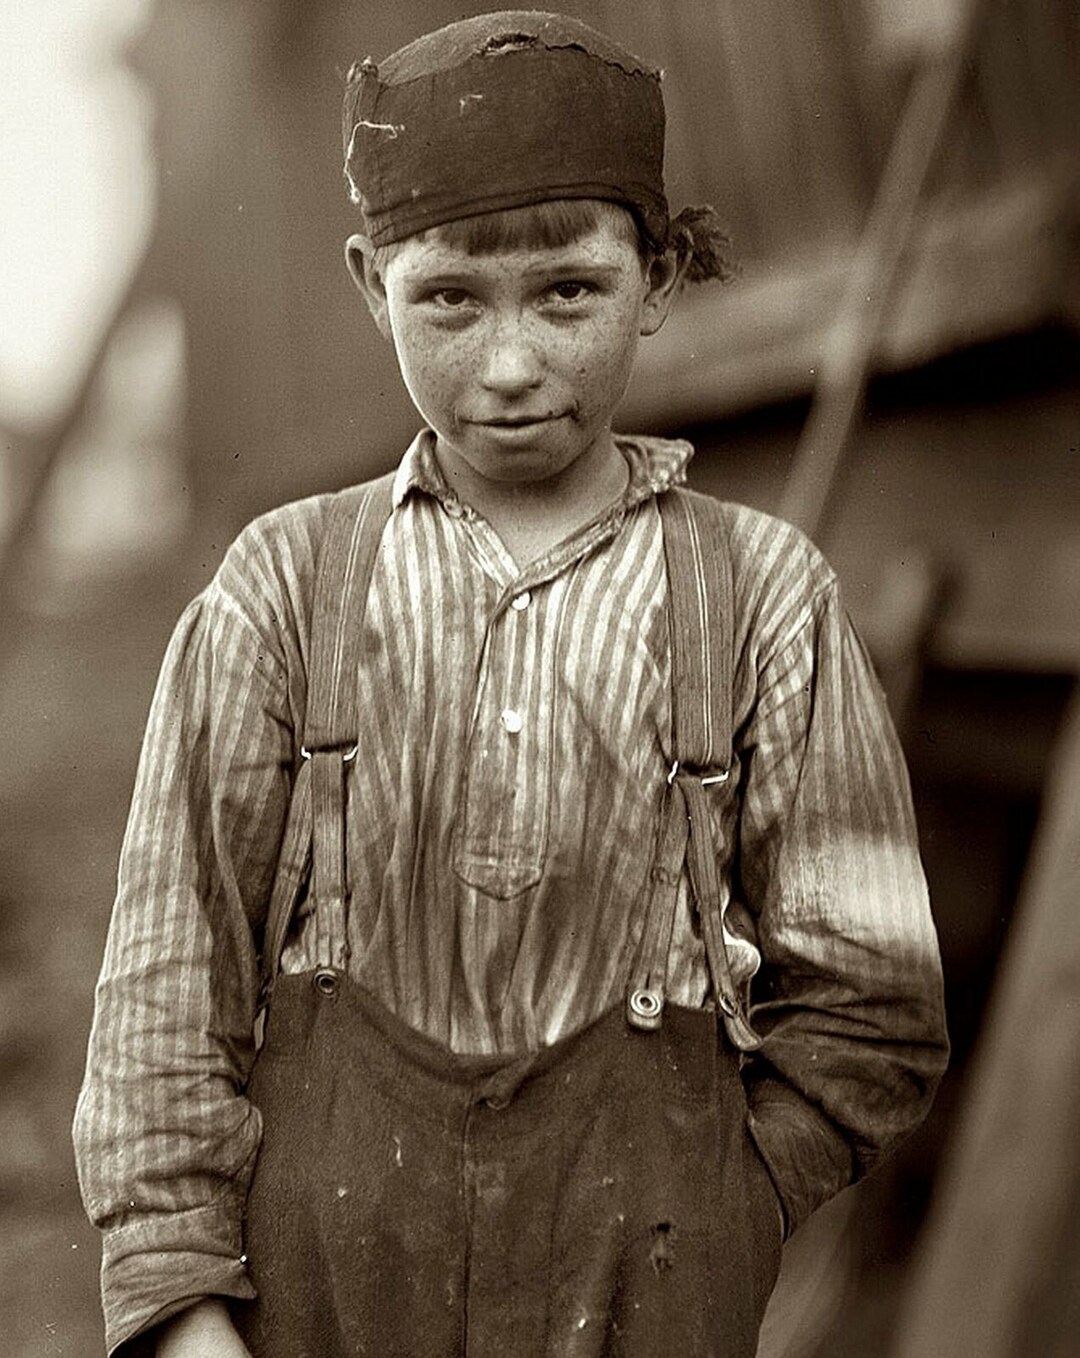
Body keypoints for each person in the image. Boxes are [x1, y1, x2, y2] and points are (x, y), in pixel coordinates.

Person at [73, 12, 949, 1357]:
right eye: (449, 300)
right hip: (322, 1309)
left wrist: (729, 1199)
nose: (510, 363)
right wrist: (185, 1308)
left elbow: (872, 1002)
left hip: (647, 1298)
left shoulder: (765, 597)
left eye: (568, 293)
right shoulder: (285, 589)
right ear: (372, 285)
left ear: (657, 278)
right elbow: (165, 985)